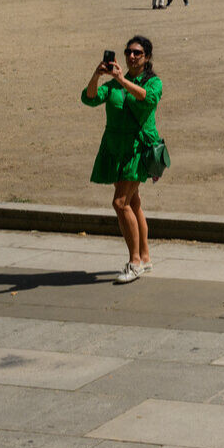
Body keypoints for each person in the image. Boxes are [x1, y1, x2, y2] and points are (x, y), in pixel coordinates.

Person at [82, 35, 165, 284]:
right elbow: (89, 98)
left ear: (147, 57)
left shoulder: (153, 82)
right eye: (128, 52)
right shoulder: (116, 84)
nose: (131, 56)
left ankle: (135, 262)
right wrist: (97, 76)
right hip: (116, 147)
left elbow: (146, 98)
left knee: (120, 203)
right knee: (134, 203)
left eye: (137, 53)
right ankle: (145, 257)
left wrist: (120, 79)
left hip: (138, 148)